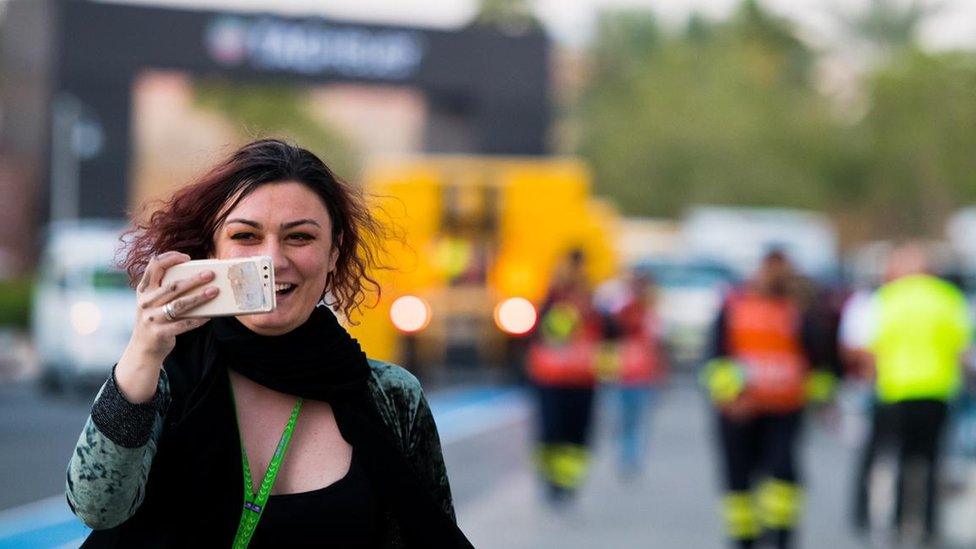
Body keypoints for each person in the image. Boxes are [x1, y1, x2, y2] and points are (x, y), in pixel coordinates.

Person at [65, 139, 472, 548]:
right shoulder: (163, 377)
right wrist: (143, 353)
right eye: (245, 236)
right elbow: (97, 507)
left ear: (334, 253)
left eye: (299, 237)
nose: (273, 260)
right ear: (212, 251)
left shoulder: (392, 396)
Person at [700, 249, 834, 549]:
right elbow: (715, 360)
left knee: (783, 475)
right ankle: (743, 538)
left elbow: (818, 361)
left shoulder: (799, 311)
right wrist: (731, 398)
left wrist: (819, 400)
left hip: (784, 410)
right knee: (739, 480)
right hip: (739, 411)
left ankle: (781, 536)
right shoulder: (734, 308)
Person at [852, 243, 971, 544]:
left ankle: (896, 523)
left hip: (896, 389)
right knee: (930, 461)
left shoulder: (888, 297)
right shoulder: (948, 298)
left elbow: (867, 347)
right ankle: (927, 525)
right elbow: (963, 350)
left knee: (899, 460)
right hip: (937, 390)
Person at [526, 248, 601, 505]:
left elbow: (611, 333)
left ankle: (568, 482)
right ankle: (551, 480)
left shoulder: (592, 302)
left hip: (583, 378)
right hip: (553, 377)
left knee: (577, 435)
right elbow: (547, 330)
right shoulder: (553, 300)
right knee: (552, 431)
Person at [595, 271, 668, 478]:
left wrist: (661, 375)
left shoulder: (651, 316)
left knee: (636, 421)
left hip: (643, 377)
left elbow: (658, 348)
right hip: (622, 375)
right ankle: (626, 456)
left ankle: (632, 457)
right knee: (623, 420)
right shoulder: (621, 312)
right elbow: (608, 340)